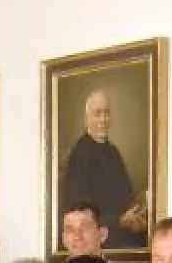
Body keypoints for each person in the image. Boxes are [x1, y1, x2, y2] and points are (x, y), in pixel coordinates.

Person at [60, 90, 149, 249]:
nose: (103, 119)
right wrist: (119, 220)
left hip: (122, 229)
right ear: (87, 119)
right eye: (97, 114)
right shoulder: (80, 154)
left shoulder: (113, 151)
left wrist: (138, 209)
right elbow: (79, 209)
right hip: (98, 237)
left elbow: (126, 195)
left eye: (106, 113)